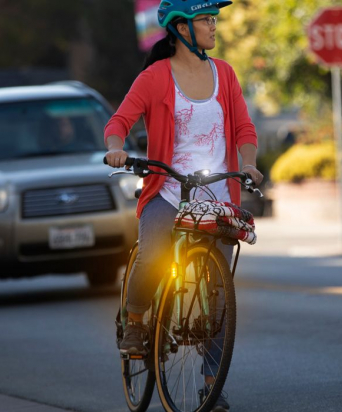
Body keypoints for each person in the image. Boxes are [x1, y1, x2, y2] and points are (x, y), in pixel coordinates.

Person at [104, 1, 263, 410]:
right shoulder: (155, 77)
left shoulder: (224, 73)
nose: (214, 26)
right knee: (154, 253)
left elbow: (244, 127)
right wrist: (117, 150)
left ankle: (212, 383)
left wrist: (248, 163)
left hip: (216, 195)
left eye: (214, 19)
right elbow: (118, 122)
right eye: (206, 20)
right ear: (181, 28)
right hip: (168, 191)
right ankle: (136, 320)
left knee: (218, 295)